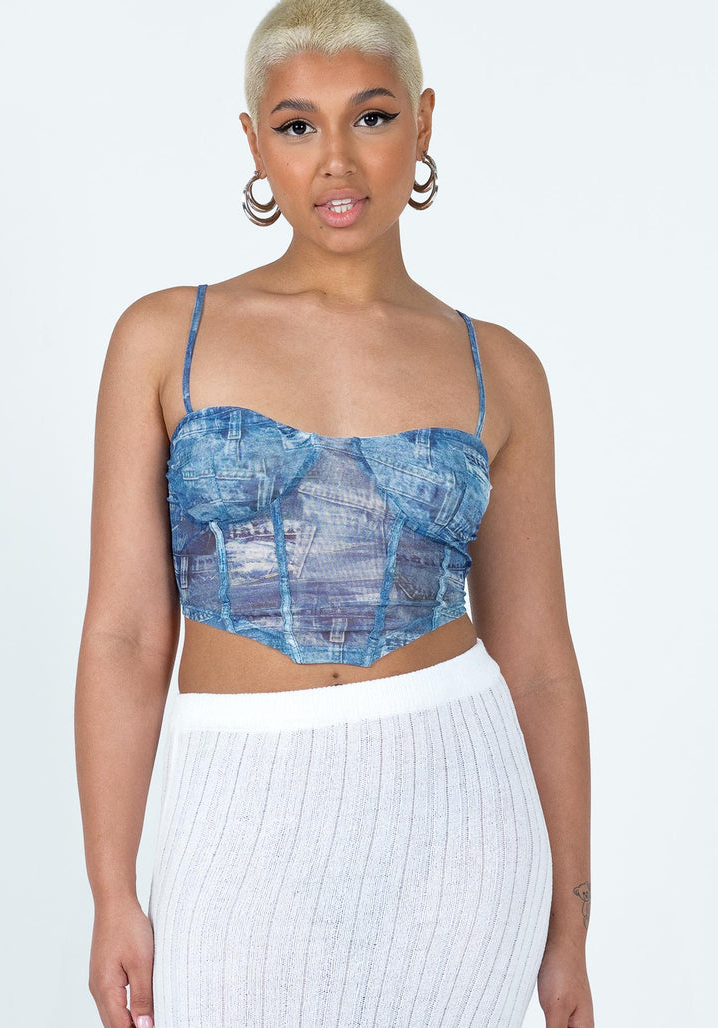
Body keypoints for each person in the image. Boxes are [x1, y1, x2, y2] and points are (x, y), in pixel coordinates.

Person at [74, 1, 594, 1026]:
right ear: (254, 141)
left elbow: (539, 661)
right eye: (297, 124)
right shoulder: (165, 337)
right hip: (237, 809)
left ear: (424, 122)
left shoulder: (501, 368)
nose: (337, 162)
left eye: (372, 116)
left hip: (462, 819)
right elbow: (125, 635)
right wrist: (110, 890)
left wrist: (571, 928)